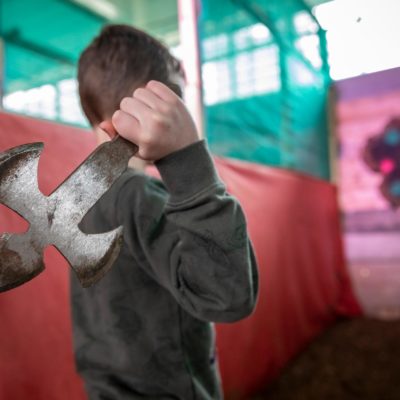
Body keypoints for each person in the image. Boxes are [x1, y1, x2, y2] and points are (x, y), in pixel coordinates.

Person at [71, 24, 258, 400]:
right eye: (171, 109)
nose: (179, 121)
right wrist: (186, 159)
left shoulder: (81, 200)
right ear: (120, 125)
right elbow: (228, 296)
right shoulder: (139, 196)